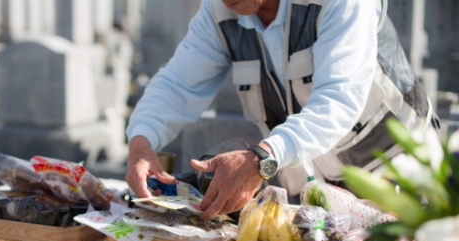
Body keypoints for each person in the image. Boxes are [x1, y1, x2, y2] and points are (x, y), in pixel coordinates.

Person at [125, 0, 434, 220]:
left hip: (403, 182)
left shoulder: (340, 3)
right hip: (323, 198)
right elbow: (178, 83)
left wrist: (261, 159)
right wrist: (141, 140)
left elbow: (338, 100)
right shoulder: (217, 12)